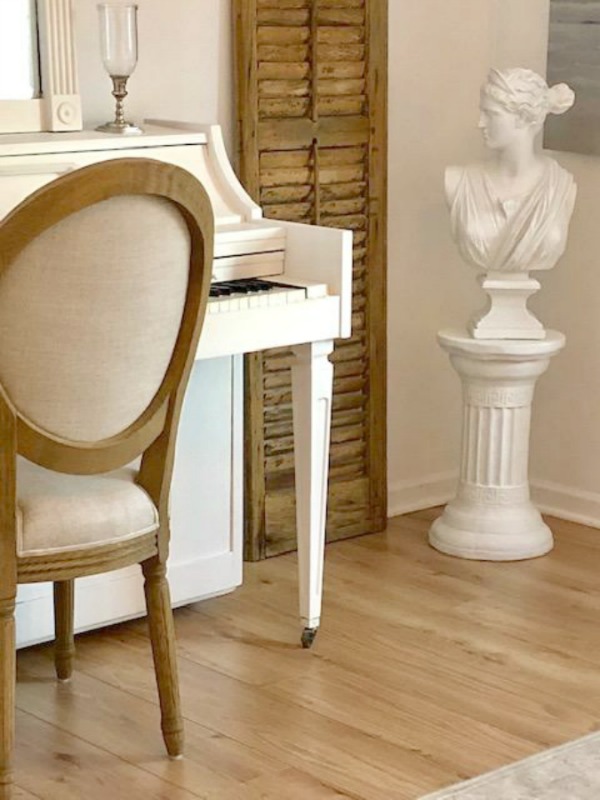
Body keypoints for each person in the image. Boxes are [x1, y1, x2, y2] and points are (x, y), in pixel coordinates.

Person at [446, 68, 577, 275]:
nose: (480, 123)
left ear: (523, 118)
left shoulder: (560, 186)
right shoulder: (457, 181)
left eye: (491, 114)